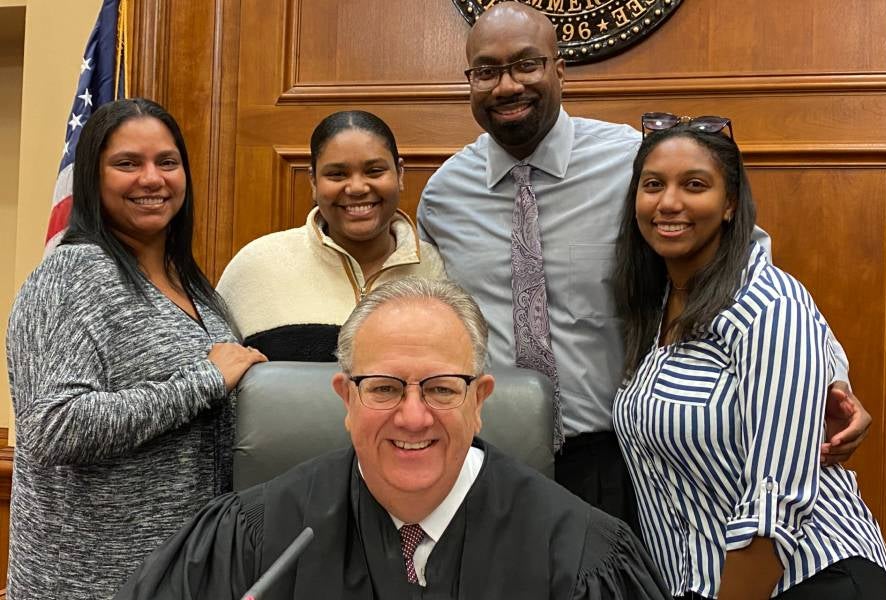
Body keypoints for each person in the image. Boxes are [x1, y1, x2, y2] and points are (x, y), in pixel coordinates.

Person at [416, 1, 871, 524]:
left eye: (526, 64)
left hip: (624, 462)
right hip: (495, 461)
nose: (507, 86)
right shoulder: (444, 196)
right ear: (470, 80)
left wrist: (831, 379)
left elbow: (749, 266)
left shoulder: (636, 163)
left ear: (558, 69)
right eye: (487, 71)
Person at [115, 277, 671, 600]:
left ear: (479, 401)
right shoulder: (252, 541)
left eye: (441, 389)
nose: (412, 418)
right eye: (382, 388)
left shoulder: (580, 558)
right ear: (345, 399)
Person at [612, 114, 886, 600]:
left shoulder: (768, 306)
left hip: (807, 578)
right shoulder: (657, 305)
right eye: (653, 184)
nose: (669, 202)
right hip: (707, 583)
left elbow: (773, 508)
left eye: (694, 184)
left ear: (730, 205)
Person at [5, 98, 268, 600]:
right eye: (128, 163)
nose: (152, 179)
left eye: (167, 162)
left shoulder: (194, 286)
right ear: (92, 178)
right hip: (92, 584)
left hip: (186, 574)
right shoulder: (74, 274)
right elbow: (54, 426)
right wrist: (205, 381)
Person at [217, 110, 444, 361]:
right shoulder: (255, 267)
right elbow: (217, 377)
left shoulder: (441, 270)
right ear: (313, 181)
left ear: (400, 174)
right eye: (337, 174)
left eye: (375, 171)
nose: (357, 187)